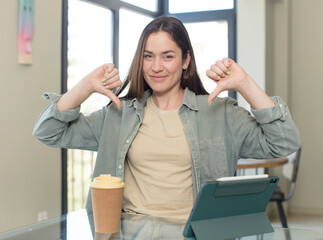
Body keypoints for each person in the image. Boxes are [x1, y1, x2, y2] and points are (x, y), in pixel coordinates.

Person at [33, 16, 300, 238]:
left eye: (167, 56)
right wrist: (85, 87)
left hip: (196, 233)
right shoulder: (118, 114)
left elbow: (283, 142)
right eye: (148, 56)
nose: (156, 67)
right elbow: (48, 132)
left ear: (185, 61)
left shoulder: (220, 112)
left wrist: (244, 84)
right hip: (128, 232)